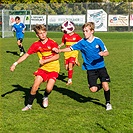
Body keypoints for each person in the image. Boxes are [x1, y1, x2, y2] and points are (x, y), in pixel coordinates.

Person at [54, 22, 112, 111]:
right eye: (83, 31)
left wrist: (103, 53)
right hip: (90, 69)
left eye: (87, 31)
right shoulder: (81, 43)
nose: (85, 33)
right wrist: (60, 50)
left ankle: (108, 103)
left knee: (106, 86)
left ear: (92, 31)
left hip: (101, 67)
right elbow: (70, 48)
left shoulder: (98, 41)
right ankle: (103, 85)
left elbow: (107, 52)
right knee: (93, 89)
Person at [10, 24, 60, 111]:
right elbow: (26, 55)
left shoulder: (52, 43)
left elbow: (57, 56)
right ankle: (29, 105)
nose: (43, 35)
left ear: (46, 32)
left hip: (54, 68)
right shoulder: (36, 45)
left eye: (44, 32)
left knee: (49, 88)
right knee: (35, 86)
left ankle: (45, 96)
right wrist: (15, 63)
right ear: (37, 35)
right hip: (43, 68)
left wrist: (44, 61)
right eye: (40, 33)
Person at [59, 21, 82, 85]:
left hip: (73, 52)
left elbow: (81, 43)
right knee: (67, 68)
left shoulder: (76, 36)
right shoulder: (65, 36)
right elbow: (63, 42)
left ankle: (69, 80)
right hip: (67, 53)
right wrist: (60, 46)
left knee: (70, 66)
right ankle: (75, 62)